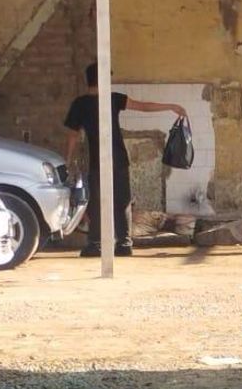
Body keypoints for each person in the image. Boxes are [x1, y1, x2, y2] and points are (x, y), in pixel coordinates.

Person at [64, 62, 187, 258]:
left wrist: (68, 160)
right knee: (122, 201)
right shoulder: (113, 99)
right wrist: (171, 106)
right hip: (118, 158)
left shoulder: (80, 104)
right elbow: (143, 107)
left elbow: (72, 135)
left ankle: (96, 244)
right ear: (102, 79)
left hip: (96, 160)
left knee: (96, 203)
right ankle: (124, 244)